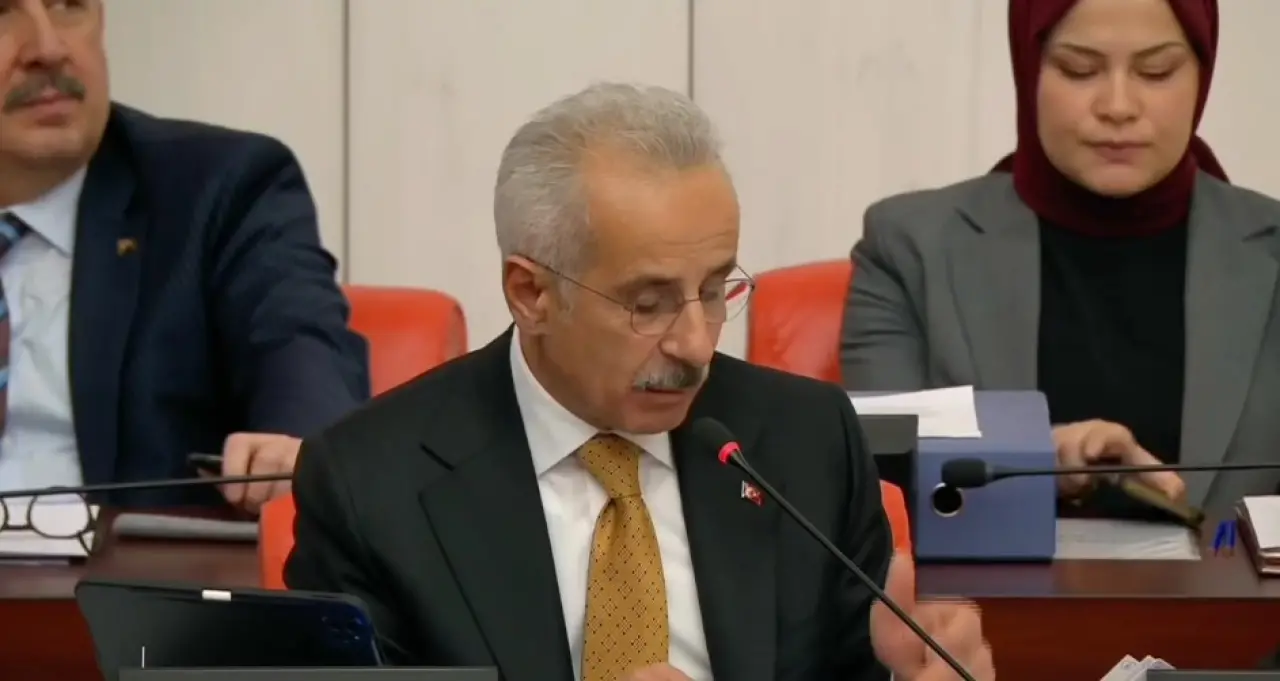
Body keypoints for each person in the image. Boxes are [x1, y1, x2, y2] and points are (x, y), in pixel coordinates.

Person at [285, 83, 995, 681]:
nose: (695, 344)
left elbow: (859, 663)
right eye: (647, 304)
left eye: (714, 290)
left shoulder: (806, 441)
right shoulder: (369, 484)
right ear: (531, 294)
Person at [840, 0, 1277, 515]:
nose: (1118, 106)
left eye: (1156, 71)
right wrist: (1034, 460)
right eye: (1079, 69)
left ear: (1202, 74)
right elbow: (878, 483)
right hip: (985, 572)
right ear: (1029, 69)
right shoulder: (910, 249)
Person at [0, 0, 368, 510]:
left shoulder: (220, 190)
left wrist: (298, 444)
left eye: (69, 5)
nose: (48, 48)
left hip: (124, 560)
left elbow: (299, 346)